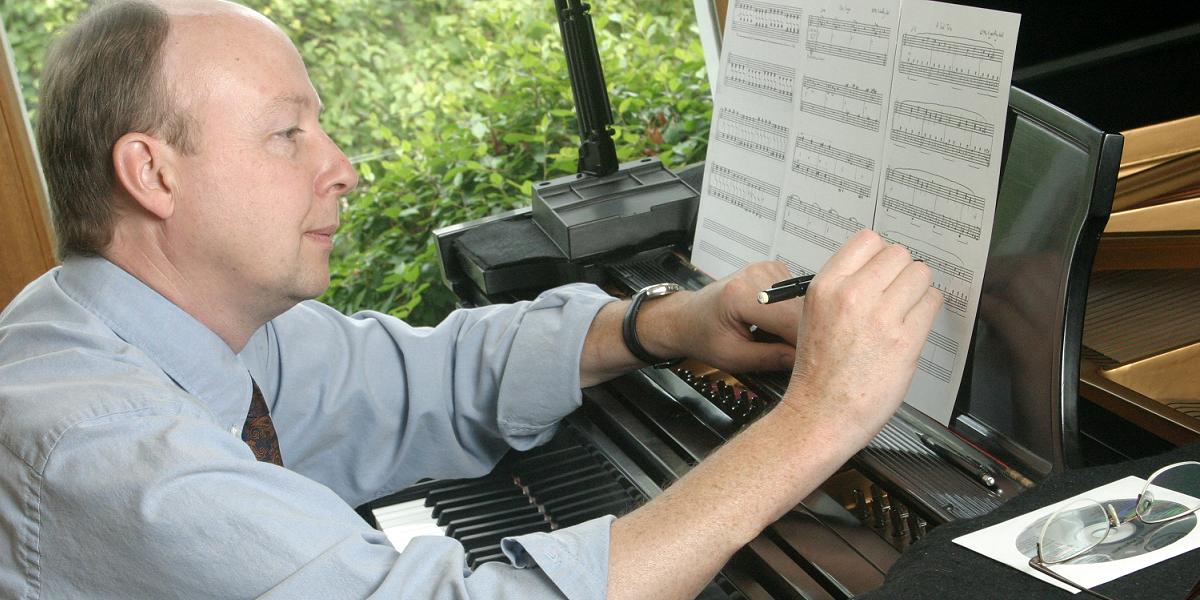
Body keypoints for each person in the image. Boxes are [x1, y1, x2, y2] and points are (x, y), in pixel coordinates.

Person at [0, 1, 941, 598]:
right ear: (151, 173)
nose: (345, 170)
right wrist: (822, 417)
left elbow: (424, 376)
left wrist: (666, 322)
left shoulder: (182, 327)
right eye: (289, 134)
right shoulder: (111, 454)